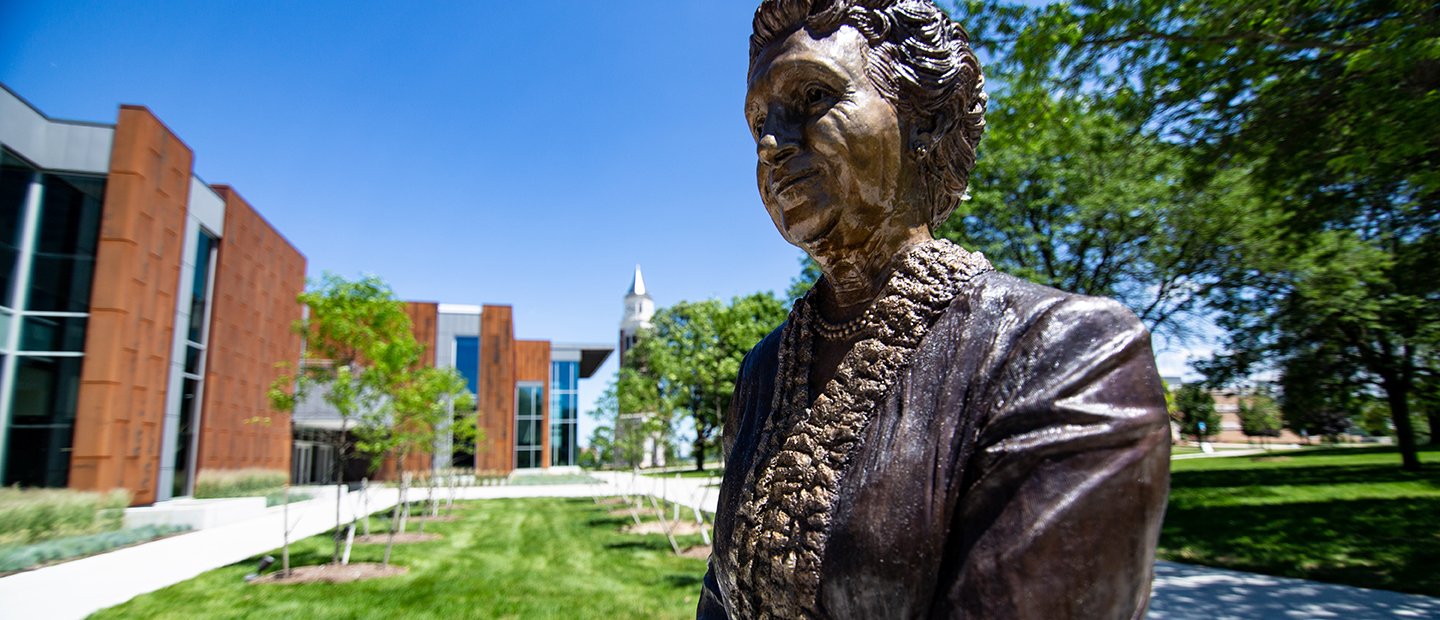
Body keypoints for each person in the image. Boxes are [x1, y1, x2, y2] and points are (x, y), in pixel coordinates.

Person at [697, 1, 1171, 618]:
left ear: (928, 121)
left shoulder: (1065, 354)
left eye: (813, 96)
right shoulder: (762, 373)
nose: (769, 144)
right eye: (758, 120)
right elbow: (719, 595)